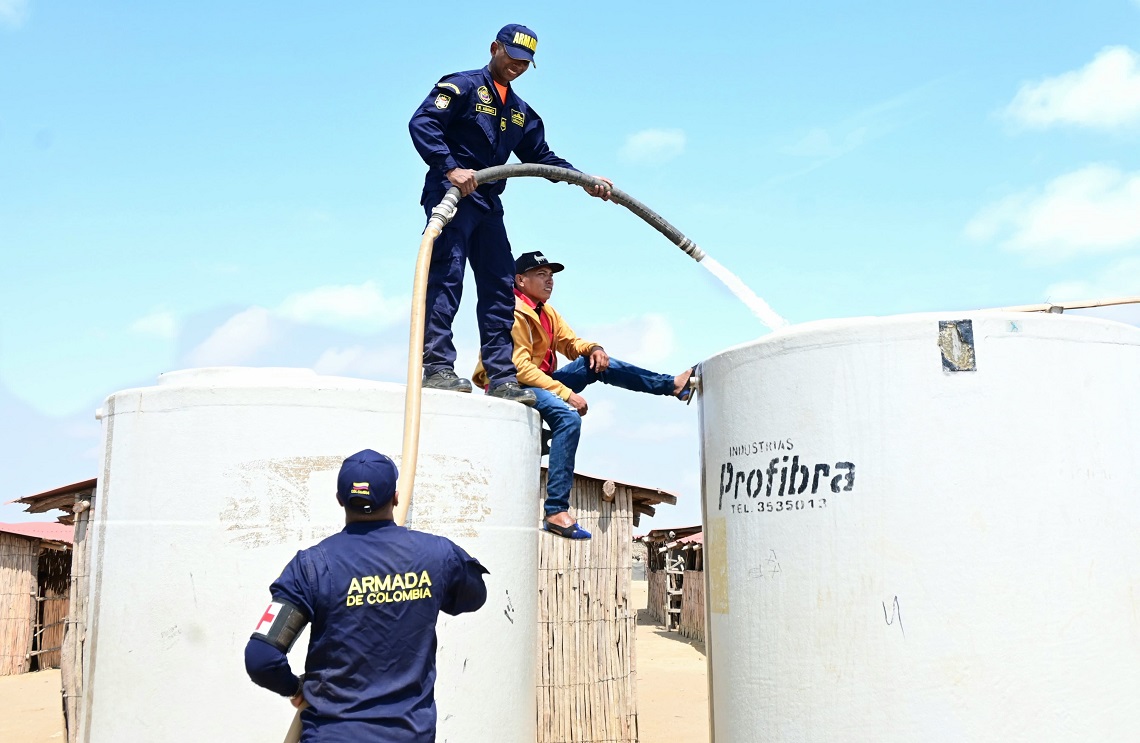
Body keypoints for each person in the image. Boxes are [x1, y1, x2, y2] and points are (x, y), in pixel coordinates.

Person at [409, 24, 612, 406]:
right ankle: (438, 367)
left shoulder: (519, 112)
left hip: (487, 202)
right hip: (451, 195)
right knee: (447, 278)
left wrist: (583, 179)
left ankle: (502, 376)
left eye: (525, 63)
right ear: (494, 49)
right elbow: (423, 123)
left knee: (500, 287)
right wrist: (450, 168)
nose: (517, 67)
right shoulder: (463, 87)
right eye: (513, 58)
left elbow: (542, 157)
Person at [244, 449, 489, 742]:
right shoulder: (437, 555)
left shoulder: (311, 567)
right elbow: (474, 597)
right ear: (395, 498)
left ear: (339, 499)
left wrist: (295, 688)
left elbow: (261, 658)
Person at [472, 252, 696, 540]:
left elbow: (570, 342)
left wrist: (594, 349)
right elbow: (521, 368)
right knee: (568, 418)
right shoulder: (513, 310)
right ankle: (555, 510)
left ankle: (672, 386)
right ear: (520, 280)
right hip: (510, 385)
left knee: (598, 363)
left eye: (551, 274)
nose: (549, 279)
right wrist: (567, 394)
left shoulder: (546, 311)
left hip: (539, 382)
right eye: (541, 274)